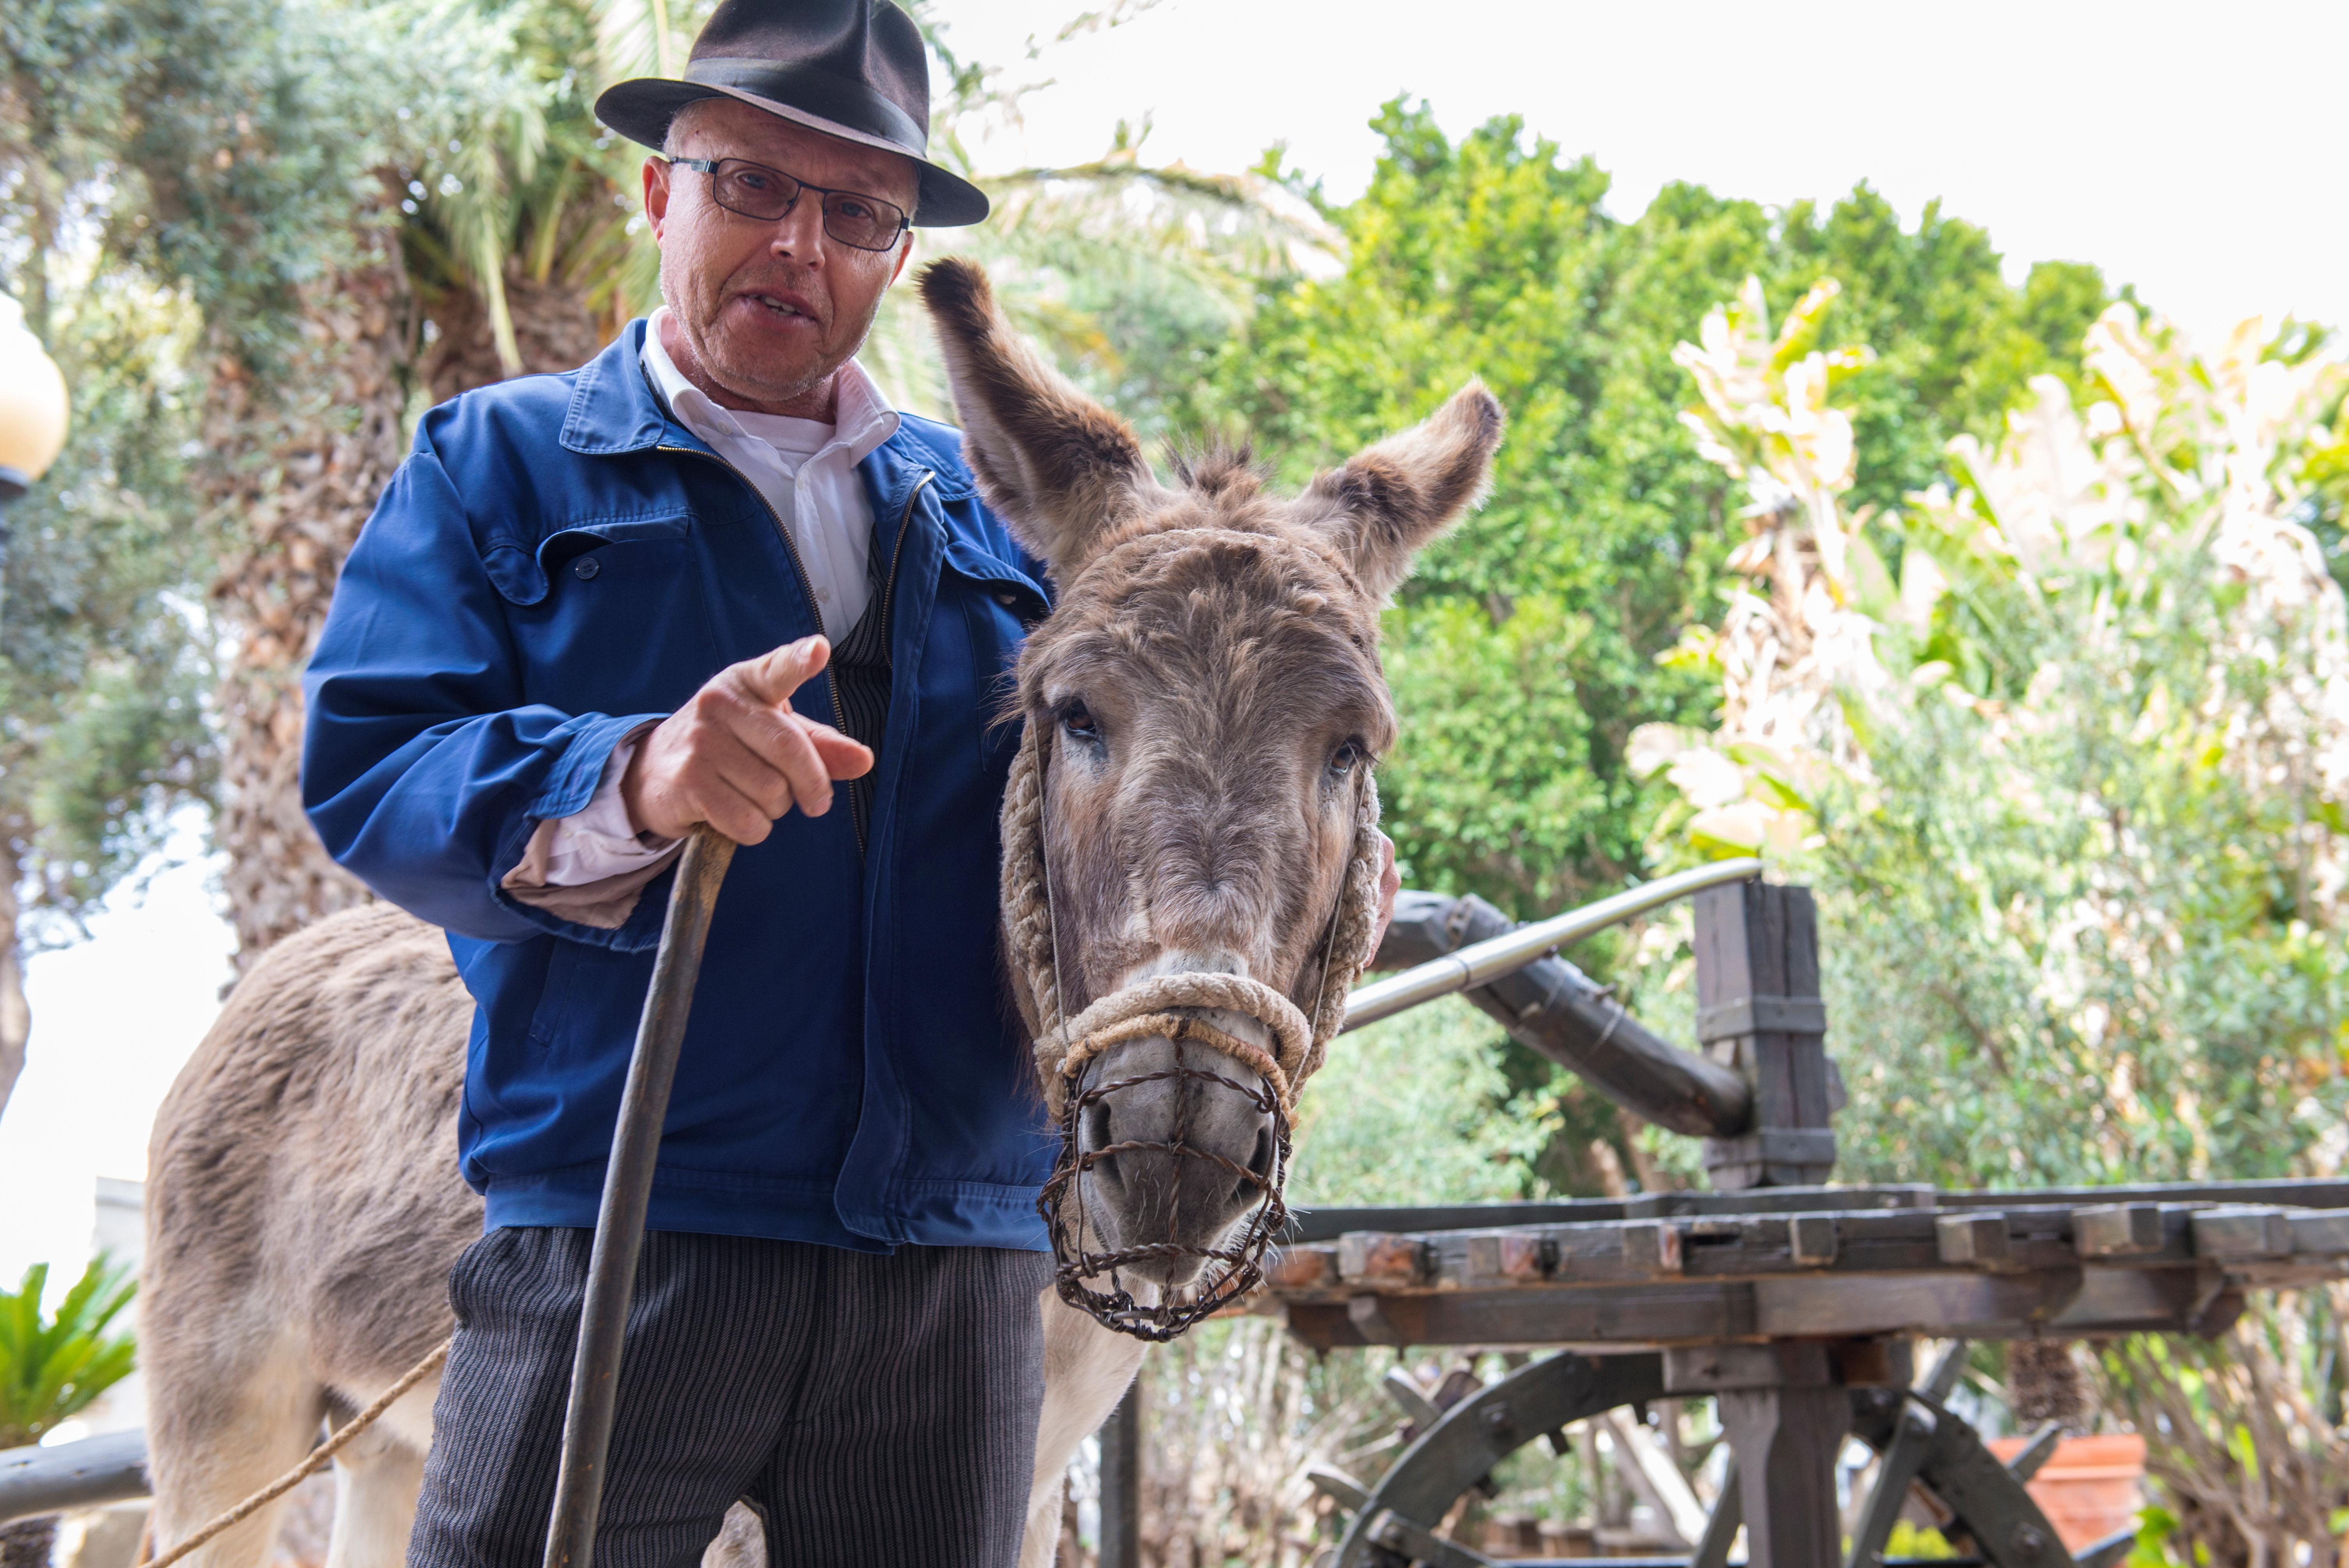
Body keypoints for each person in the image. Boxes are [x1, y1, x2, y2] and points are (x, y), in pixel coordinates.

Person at [303, 2, 1396, 1563]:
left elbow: (1167, 760)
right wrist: (632, 774)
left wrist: (1305, 858)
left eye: (859, 212)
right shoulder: (498, 466)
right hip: (627, 1234)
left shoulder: (1007, 522)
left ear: (897, 253)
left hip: (950, 1267)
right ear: (659, 191)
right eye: (751, 184)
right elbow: (373, 767)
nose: (799, 245)